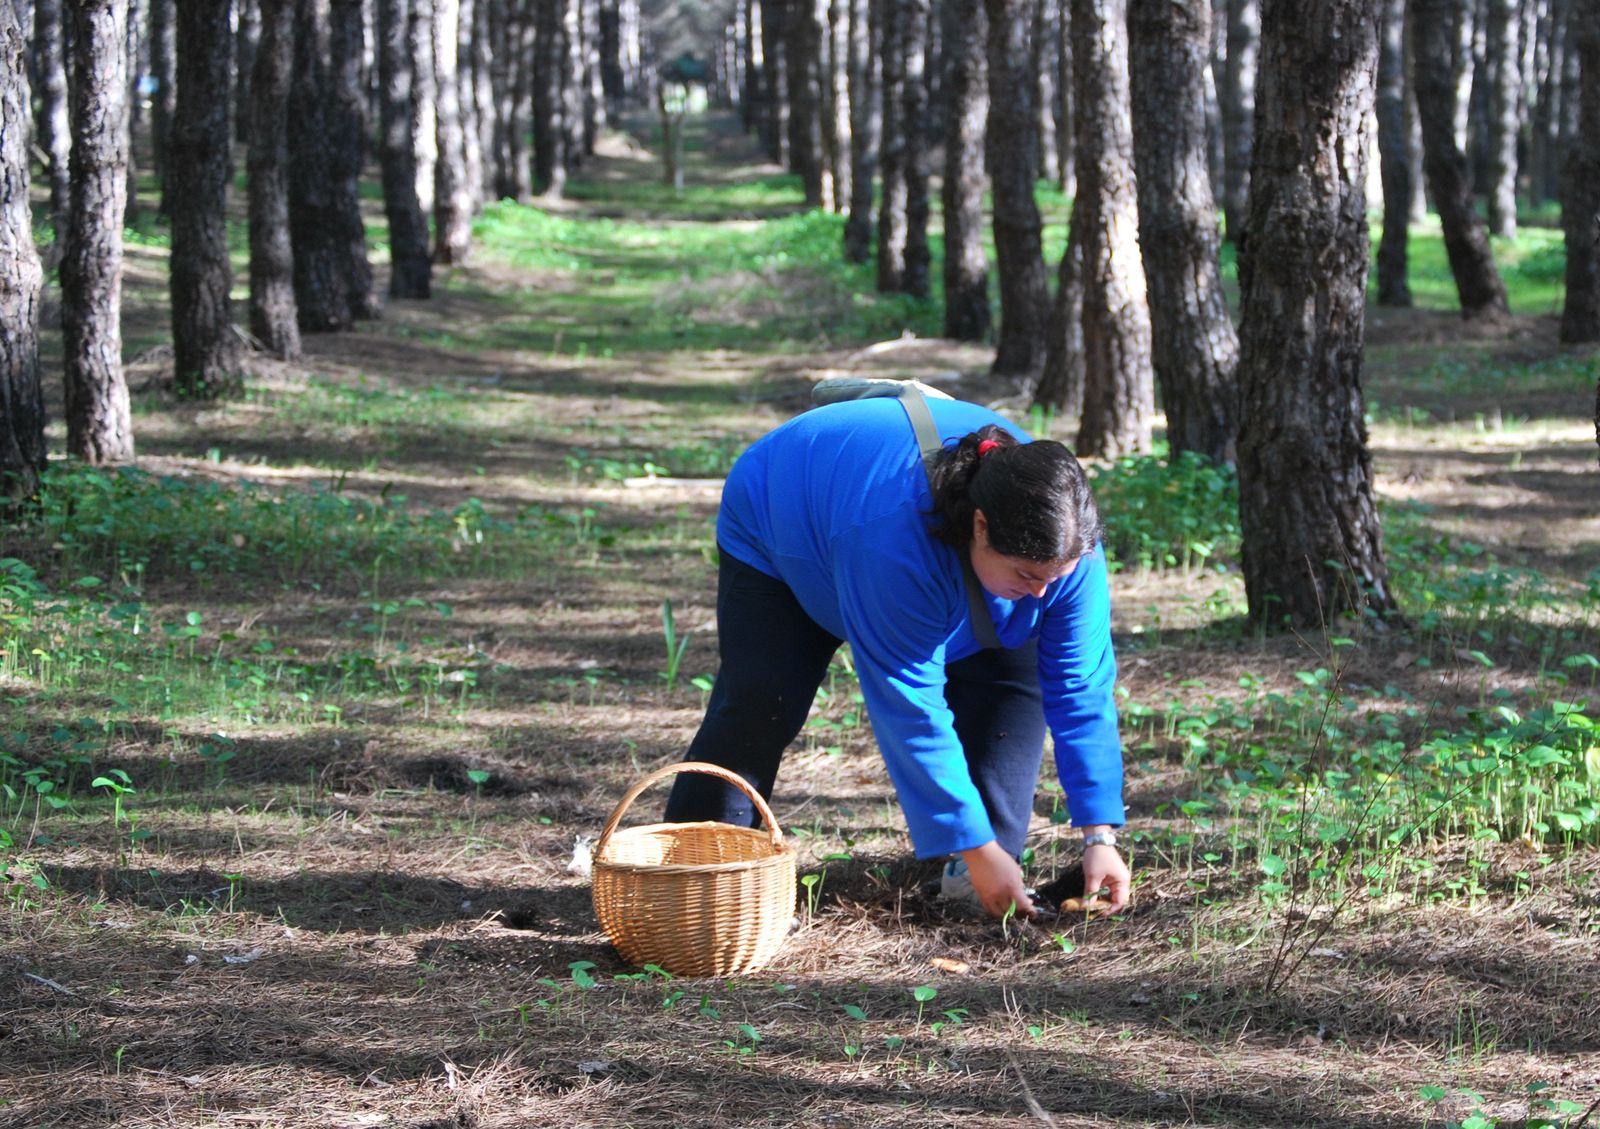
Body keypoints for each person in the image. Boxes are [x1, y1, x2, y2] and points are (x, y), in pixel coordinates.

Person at [663, 387, 1130, 920]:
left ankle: (979, 867)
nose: (1046, 592)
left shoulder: (1067, 546)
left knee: (1014, 671)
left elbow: (1081, 688)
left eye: (1058, 577)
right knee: (762, 699)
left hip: (920, 540)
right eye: (1028, 574)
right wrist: (974, 845)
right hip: (787, 517)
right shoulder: (892, 545)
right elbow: (912, 708)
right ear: (980, 526)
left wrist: (1100, 834)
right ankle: (697, 872)